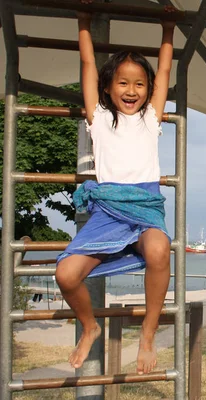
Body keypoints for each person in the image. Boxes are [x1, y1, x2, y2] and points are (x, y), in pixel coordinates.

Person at [54, 1, 176, 375]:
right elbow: (88, 66)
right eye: (122, 82)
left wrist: (168, 29)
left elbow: (166, 66)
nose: (131, 89)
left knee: (159, 248)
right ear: (108, 88)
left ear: (149, 90)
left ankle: (149, 333)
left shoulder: (151, 117)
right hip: (108, 210)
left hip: (144, 205)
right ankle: (90, 326)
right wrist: (84, 23)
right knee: (66, 275)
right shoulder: (100, 119)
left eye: (139, 84)